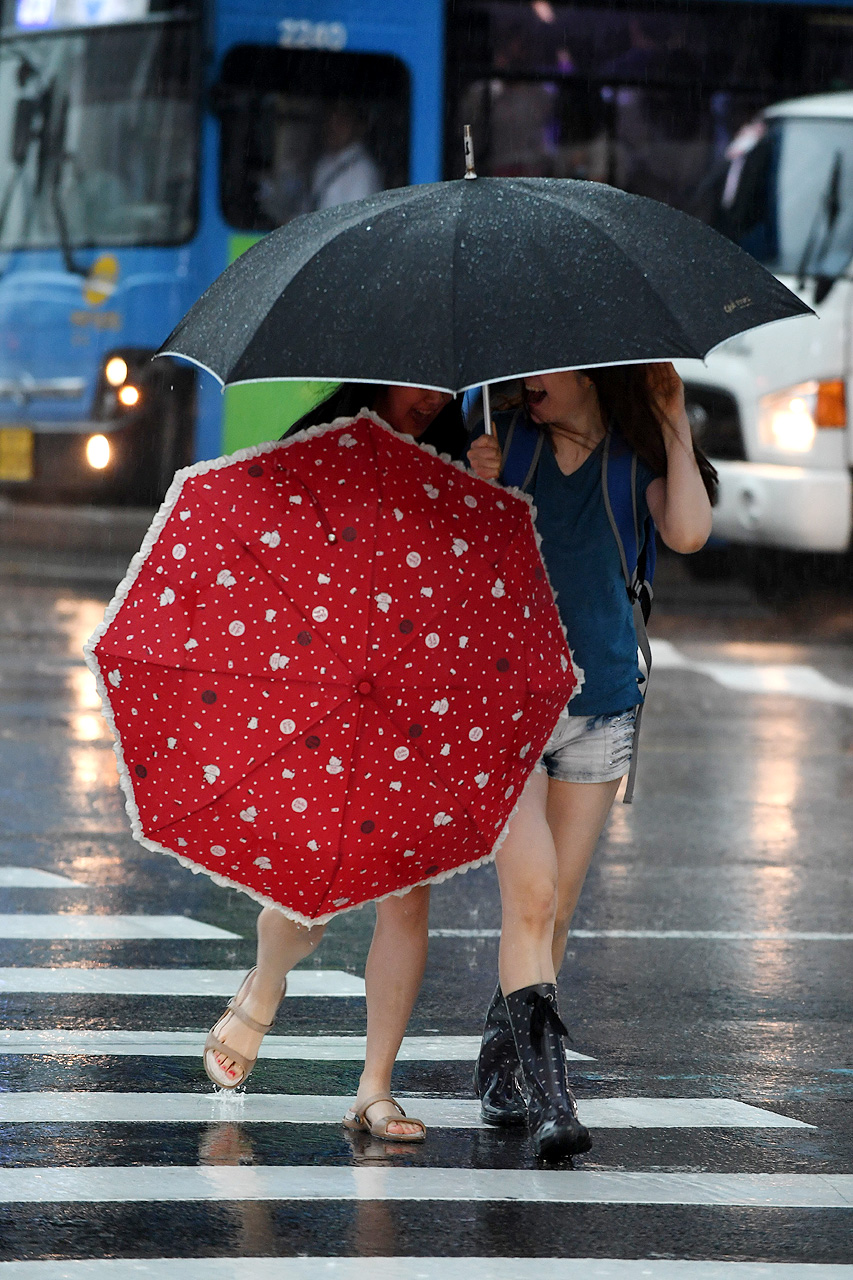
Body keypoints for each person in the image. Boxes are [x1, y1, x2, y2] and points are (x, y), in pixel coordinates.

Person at [467, 362, 716, 1161]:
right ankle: (551, 1097)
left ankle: (503, 1060)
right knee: (531, 899)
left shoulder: (634, 459)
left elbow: (687, 533)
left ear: (593, 375)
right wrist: (473, 485)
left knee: (558, 907)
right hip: (505, 708)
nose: (530, 379)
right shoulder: (502, 442)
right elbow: (448, 555)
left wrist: (671, 417)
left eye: (549, 369)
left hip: (602, 702)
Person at [204, 382, 464, 1143]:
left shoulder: (465, 439)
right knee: (310, 880)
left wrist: (478, 487)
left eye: (443, 384)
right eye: (418, 381)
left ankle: (374, 1087)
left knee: (406, 895)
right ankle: (267, 978)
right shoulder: (325, 436)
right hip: (322, 688)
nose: (431, 398)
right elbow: (261, 545)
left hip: (414, 693)